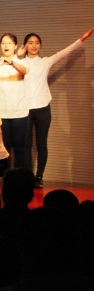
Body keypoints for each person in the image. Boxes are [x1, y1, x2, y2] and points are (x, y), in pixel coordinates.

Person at [16, 27, 94, 187]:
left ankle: (39, 176)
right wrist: (17, 56)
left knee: (41, 143)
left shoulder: (46, 61)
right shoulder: (20, 63)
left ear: (40, 46)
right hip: (25, 108)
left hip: (43, 107)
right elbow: (8, 65)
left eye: (37, 43)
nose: (34, 45)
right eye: (30, 43)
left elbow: (65, 52)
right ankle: (28, 177)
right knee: (26, 145)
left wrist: (82, 38)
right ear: (25, 45)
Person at [0, 33, 30, 169]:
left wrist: (12, 63)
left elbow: (24, 70)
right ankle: (5, 177)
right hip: (0, 112)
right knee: (4, 149)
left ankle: (19, 178)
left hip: (19, 112)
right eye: (3, 43)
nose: (6, 45)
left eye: (9, 43)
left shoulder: (21, 62)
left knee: (20, 148)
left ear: (15, 46)